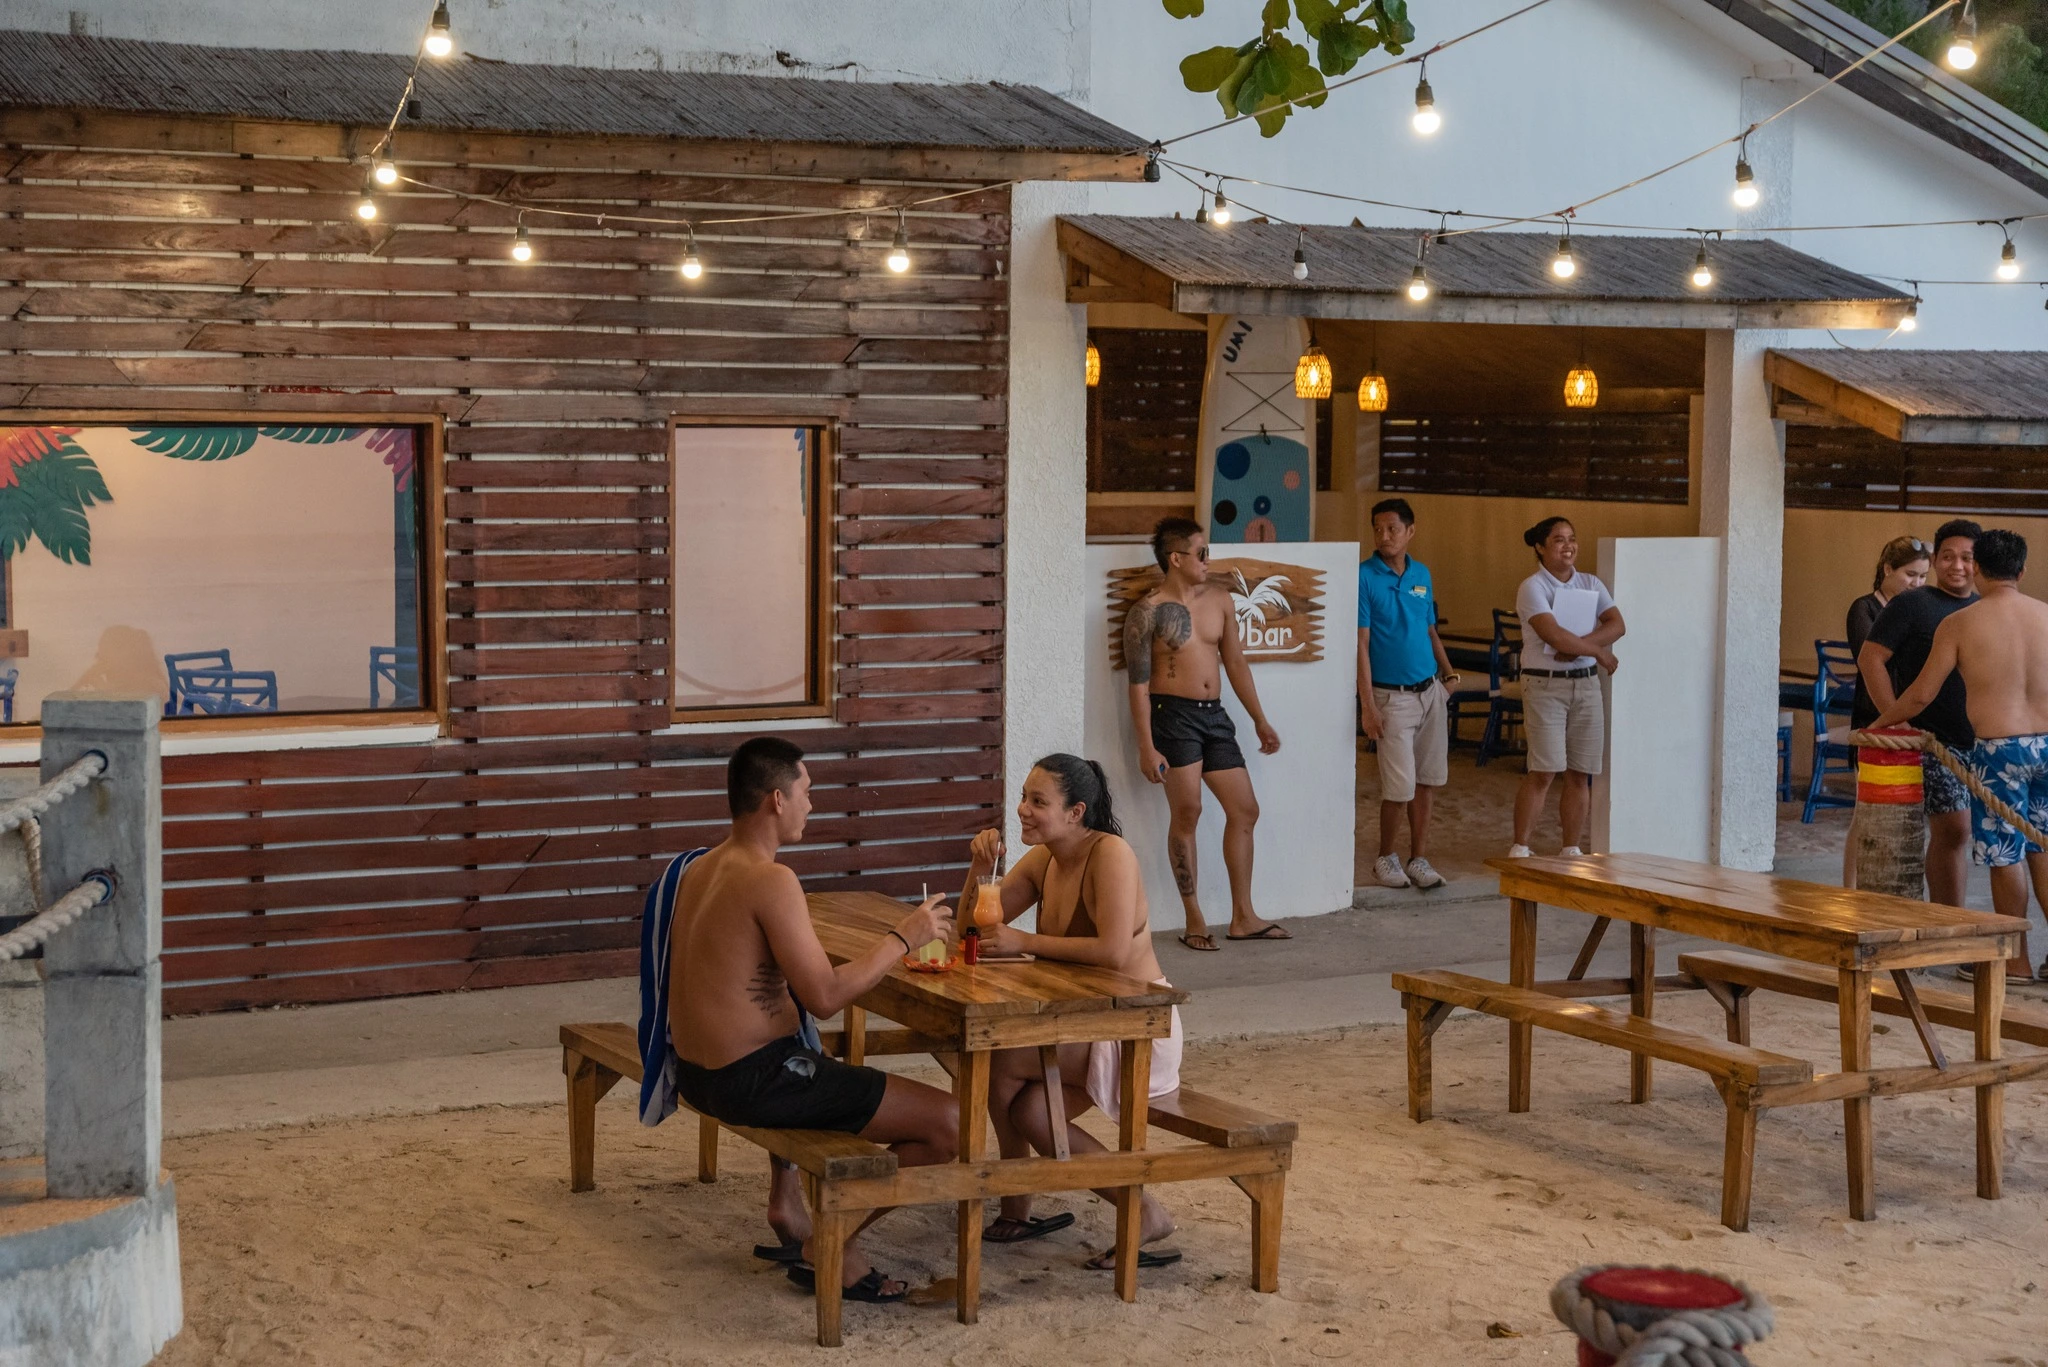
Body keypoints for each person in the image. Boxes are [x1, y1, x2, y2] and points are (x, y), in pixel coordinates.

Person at [651, 737, 959, 1303]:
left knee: (806, 1044)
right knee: (949, 1122)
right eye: (807, 792)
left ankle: (789, 1207)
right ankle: (830, 1242)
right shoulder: (772, 879)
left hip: (698, 1072)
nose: (811, 806)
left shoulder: (701, 867)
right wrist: (904, 937)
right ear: (776, 798)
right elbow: (825, 995)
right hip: (752, 1080)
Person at [962, 754, 1183, 1269]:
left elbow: (1111, 951)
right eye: (1023, 797)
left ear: (1076, 811)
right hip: (1079, 1021)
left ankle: (1015, 1199)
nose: (1023, 810)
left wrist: (1024, 941)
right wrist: (979, 866)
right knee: (1030, 1110)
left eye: (1038, 802)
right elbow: (970, 934)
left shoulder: (1111, 855)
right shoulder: (1044, 859)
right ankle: (1140, 1206)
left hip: (1136, 1023)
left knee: (996, 1061)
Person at [1870, 529, 2046, 981]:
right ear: (2022, 571)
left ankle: (2015, 963)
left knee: (2005, 854)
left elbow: (1921, 695)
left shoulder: (1962, 623)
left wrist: (1882, 723)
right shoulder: (2046, 616)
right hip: (2047, 744)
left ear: (1980, 569)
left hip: (1999, 749)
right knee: (2043, 848)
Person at [1123, 516, 1288, 951]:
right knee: (1188, 813)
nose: (1207, 560)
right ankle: (1194, 918)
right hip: (1171, 716)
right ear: (1175, 559)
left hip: (1214, 716)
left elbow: (1235, 663)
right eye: (1201, 553)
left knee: (1245, 809)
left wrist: (1260, 719)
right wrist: (1146, 746)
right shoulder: (1148, 612)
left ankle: (1243, 917)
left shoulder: (1220, 599)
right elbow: (1138, 684)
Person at [1858, 520, 1981, 908]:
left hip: (1979, 740)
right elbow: (1871, 658)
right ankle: (1949, 923)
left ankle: (1954, 923)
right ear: (1935, 560)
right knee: (1955, 829)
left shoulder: (1985, 608)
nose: (1957, 565)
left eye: (1967, 557)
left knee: (1972, 836)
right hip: (1931, 740)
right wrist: (1895, 720)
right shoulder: (1913, 603)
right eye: (1947, 557)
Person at [1508, 516, 1625, 858]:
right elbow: (1551, 633)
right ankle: (1521, 845)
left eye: (1572, 538)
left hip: (1585, 685)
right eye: (1558, 540)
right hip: (1545, 686)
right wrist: (1596, 651)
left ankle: (1570, 847)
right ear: (1541, 548)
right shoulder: (1532, 587)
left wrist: (1580, 647)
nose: (1568, 545)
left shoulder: (1590, 583)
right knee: (1544, 768)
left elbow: (1617, 624)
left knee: (1581, 770)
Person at [1357, 497, 1457, 889]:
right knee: (1398, 787)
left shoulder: (1422, 574)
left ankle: (1419, 858)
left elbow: (1430, 630)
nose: (1384, 537)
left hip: (1430, 691)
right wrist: (1367, 705)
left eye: (1392, 529)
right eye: (1378, 529)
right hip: (1390, 696)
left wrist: (1451, 679)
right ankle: (1385, 858)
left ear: (1410, 531)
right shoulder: (1364, 576)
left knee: (1428, 781)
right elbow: (1361, 643)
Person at [1842, 536, 1930, 886]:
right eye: (1911, 574)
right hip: (1874, 718)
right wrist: (1895, 717)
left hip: (1912, 719)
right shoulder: (1863, 608)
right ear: (1887, 569)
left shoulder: (1918, 607)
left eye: (1924, 577)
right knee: (1864, 813)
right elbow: (1872, 662)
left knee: (1907, 815)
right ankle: (1849, 888)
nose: (1917, 584)